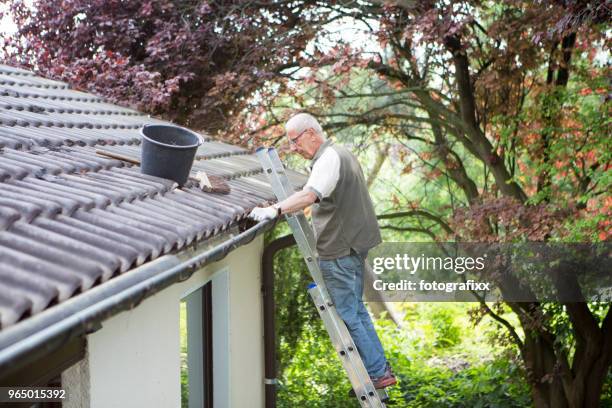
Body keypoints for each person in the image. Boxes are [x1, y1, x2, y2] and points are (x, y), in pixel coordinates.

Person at [249, 112, 396, 390]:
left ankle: (376, 372)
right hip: (354, 245)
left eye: (294, 141)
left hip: (339, 250)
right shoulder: (342, 154)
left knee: (349, 314)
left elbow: (309, 195)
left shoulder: (328, 160)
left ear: (311, 133)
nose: (293, 148)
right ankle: (380, 368)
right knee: (357, 311)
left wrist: (274, 209)